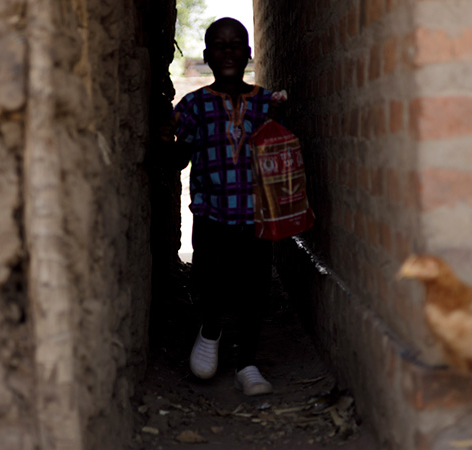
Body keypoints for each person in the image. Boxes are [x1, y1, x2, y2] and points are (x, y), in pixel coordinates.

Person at [168, 17, 281, 396]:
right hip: (211, 215)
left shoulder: (266, 103)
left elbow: (281, 152)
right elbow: (181, 156)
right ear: (207, 55)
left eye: (237, 44)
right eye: (220, 44)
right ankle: (211, 328)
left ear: (249, 53)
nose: (229, 50)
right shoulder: (194, 106)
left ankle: (247, 363)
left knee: (254, 288)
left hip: (256, 216)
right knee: (210, 281)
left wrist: (282, 116)